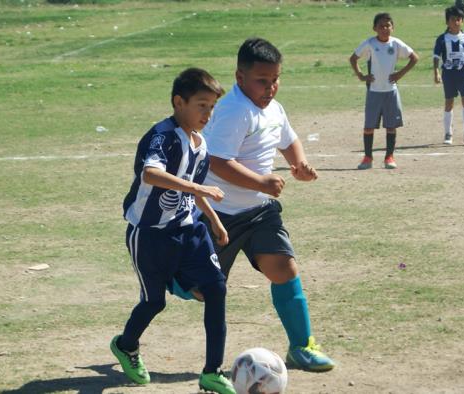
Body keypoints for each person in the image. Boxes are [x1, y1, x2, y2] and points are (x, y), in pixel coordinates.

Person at [200, 37, 335, 372]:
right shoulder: (234, 112)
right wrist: (261, 181)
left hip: (260, 211)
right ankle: (170, 269)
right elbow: (217, 161)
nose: (270, 87)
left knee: (284, 269)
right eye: (262, 80)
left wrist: (299, 165)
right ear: (240, 77)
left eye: (275, 79)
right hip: (220, 215)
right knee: (200, 291)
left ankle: (302, 346)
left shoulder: (273, 108)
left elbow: (288, 139)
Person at [111, 68, 235, 394]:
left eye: (211, 107)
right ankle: (126, 345)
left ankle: (212, 371)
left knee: (216, 289)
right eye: (201, 105)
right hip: (150, 235)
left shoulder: (201, 143)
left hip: (189, 229)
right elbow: (151, 174)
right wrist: (200, 190)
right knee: (154, 303)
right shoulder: (162, 137)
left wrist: (214, 220)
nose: (207, 114)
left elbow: (195, 190)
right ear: (179, 102)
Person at [349, 13, 418, 170]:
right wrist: (361, 76)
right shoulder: (370, 44)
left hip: (390, 91)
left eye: (388, 25)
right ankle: (367, 157)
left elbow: (414, 58)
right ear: (375, 28)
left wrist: (400, 73)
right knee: (368, 126)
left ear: (393, 28)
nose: (385, 28)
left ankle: (389, 157)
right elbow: (353, 58)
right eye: (381, 26)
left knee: (391, 126)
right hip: (374, 91)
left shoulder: (396, 43)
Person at [433, 6, 464, 145]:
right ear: (447, 22)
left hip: (463, 73)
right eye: (453, 20)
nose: (456, 22)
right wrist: (436, 72)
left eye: (459, 19)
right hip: (448, 74)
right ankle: (448, 134)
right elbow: (436, 56)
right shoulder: (442, 39)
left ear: (463, 21)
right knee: (449, 102)